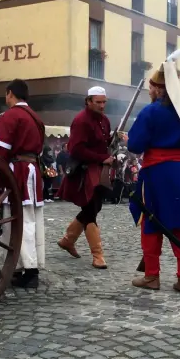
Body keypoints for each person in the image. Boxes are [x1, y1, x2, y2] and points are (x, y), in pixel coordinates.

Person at [128, 63, 180, 294]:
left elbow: (135, 144)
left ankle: (152, 277)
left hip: (155, 173)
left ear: (158, 89)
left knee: (151, 222)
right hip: (178, 173)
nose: (150, 91)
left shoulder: (150, 111)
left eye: (152, 87)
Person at [0, 79, 46, 288]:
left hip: (18, 171)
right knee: (18, 219)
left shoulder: (11, 116)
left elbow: (0, 150)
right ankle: (17, 266)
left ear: (10, 93)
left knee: (23, 220)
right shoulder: (36, 117)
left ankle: (30, 270)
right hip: (30, 169)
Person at [56, 86, 113, 270]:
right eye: (98, 102)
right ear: (88, 101)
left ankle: (68, 240)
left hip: (98, 172)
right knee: (90, 211)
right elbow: (77, 150)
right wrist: (102, 157)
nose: (102, 106)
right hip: (83, 173)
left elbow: (103, 145)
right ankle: (98, 255)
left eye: (104, 102)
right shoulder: (81, 121)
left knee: (94, 207)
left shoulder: (105, 121)